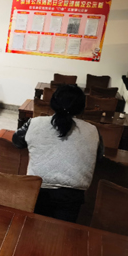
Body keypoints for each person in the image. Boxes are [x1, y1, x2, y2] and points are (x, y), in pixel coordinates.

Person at [12, 84, 101, 222]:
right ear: (82, 107)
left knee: (31, 227)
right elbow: (98, 157)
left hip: (37, 189)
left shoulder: (34, 123)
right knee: (61, 232)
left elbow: (17, 141)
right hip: (72, 196)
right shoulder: (93, 130)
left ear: (53, 102)